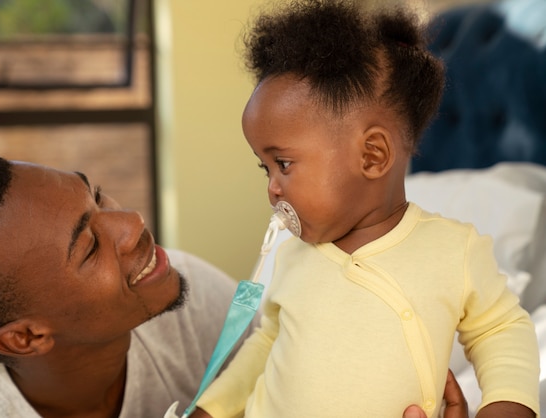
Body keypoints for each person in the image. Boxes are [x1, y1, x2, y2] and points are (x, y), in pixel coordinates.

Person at [192, 1, 540, 418]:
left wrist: (505, 405)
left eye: (282, 164)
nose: (272, 188)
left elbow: (501, 329)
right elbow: (265, 345)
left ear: (372, 156)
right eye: (264, 168)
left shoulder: (452, 251)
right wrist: (209, 410)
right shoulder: (292, 256)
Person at [0, 154, 466, 417]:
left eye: (99, 197)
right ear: (26, 338)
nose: (132, 223)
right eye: (88, 247)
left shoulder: (183, 294)